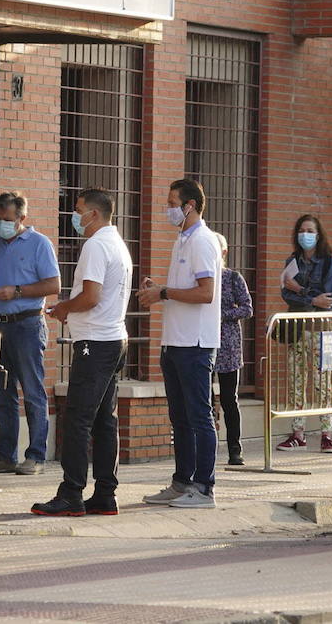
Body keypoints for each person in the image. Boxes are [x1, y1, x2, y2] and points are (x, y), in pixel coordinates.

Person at [31, 187, 133, 516]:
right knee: (105, 421)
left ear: (93, 213)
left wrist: (63, 309)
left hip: (95, 342)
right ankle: (105, 493)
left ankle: (71, 493)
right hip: (113, 339)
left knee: (77, 419)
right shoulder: (117, 243)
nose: (74, 216)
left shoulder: (96, 245)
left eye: (78, 210)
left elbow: (90, 297)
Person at [137, 178, 223, 509]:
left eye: (173, 202)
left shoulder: (203, 240)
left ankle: (204, 487)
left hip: (196, 343)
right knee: (180, 417)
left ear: (189, 205)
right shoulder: (181, 240)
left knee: (199, 416)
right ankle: (182, 481)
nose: (168, 208)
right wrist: (161, 288)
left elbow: (206, 292)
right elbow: (182, 290)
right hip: (174, 340)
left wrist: (163, 292)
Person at [0, 192, 61, 475]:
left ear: (21, 218)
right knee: (2, 392)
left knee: (33, 390)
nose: (1, 224)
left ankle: (36, 455)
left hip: (27, 323)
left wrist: (16, 291)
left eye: (7, 219)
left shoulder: (39, 244)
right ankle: (5, 455)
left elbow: (53, 285)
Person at [276, 213, 332, 453]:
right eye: (302, 230)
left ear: (319, 234)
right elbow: (286, 293)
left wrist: (302, 291)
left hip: (322, 331)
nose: (306, 235)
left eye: (310, 230)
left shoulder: (329, 263)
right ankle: (298, 433)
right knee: (296, 381)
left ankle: (327, 434)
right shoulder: (292, 261)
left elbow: (328, 297)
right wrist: (310, 296)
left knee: (323, 383)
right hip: (297, 329)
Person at [214, 233, 252, 465]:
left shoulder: (233, 278)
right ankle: (207, 449)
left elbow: (247, 309)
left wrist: (222, 315)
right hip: (203, 344)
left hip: (228, 346)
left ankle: (235, 449)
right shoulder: (199, 277)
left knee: (229, 399)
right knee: (205, 401)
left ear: (224, 252)